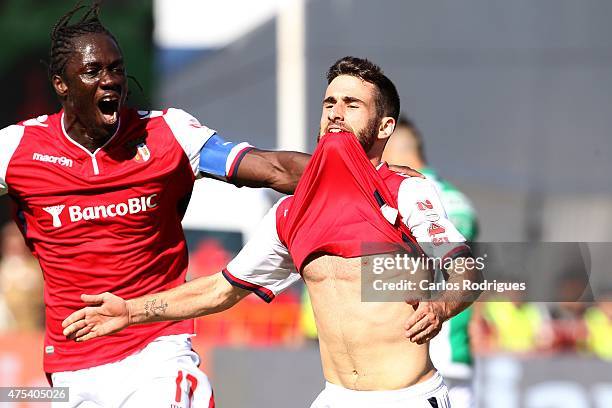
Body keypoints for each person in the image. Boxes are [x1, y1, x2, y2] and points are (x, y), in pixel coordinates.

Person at [63, 56, 481, 408]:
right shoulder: (290, 213)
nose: (335, 112)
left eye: (352, 104)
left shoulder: (405, 191)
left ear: (385, 127)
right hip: (335, 399)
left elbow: (468, 271)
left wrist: (440, 307)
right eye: (329, 102)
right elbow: (221, 290)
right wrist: (132, 311)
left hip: (406, 398)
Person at [0, 3, 313, 407]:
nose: (110, 81)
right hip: (72, 366)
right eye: (93, 72)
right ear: (61, 84)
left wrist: (371, 179)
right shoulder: (17, 150)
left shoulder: (168, 135)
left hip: (157, 352)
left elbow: (273, 168)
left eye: (116, 68)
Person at [382, 116, 479, 407]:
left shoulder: (421, 197)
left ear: (396, 150)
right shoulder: (456, 197)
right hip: (438, 351)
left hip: (431, 351)